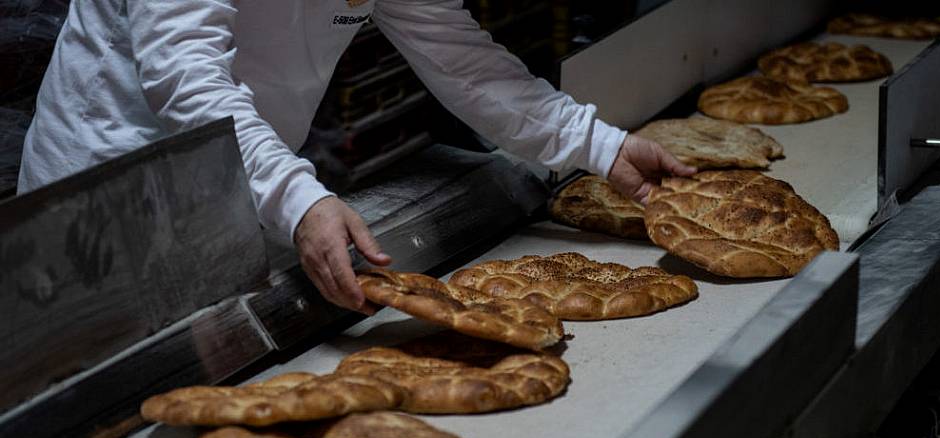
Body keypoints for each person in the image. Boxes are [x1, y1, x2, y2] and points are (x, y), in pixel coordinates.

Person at [18, 0, 695, 313]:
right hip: (99, 194)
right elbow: (183, 74)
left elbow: (462, 61)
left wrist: (601, 146)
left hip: (235, 185)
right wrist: (299, 198)